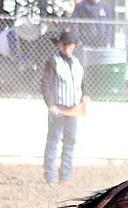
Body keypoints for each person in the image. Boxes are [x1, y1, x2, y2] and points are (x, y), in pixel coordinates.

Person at [41, 31, 86, 184]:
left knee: (70, 142)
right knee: (54, 141)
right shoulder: (53, 62)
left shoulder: (77, 63)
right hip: (59, 108)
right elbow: (46, 84)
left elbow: (82, 82)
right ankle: (50, 176)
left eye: (70, 44)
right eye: (65, 44)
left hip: (74, 108)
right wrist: (51, 104)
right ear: (60, 45)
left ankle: (65, 177)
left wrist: (85, 96)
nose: (68, 47)